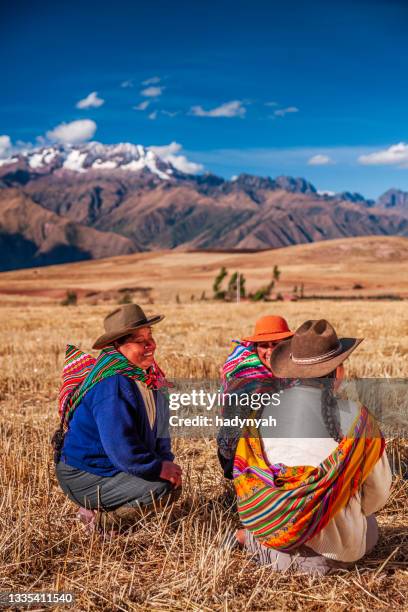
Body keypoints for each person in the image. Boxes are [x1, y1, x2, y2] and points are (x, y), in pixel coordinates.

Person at [233, 319, 392, 573]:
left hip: (277, 547)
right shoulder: (359, 422)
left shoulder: (261, 413)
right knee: (370, 525)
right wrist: (335, 501)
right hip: (338, 555)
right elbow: (377, 496)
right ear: (338, 370)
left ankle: (248, 538)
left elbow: (244, 476)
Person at [53, 304, 182, 532]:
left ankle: (109, 508)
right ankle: (98, 523)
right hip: (87, 472)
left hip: (112, 467)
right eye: (139, 340)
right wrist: (156, 469)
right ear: (118, 346)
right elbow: (121, 447)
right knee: (159, 487)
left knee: (170, 483)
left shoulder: (150, 379)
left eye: (150, 337)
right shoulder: (113, 383)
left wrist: (165, 461)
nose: (150, 345)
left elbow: (161, 430)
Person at [217, 315, 294, 479]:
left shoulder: (293, 366)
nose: (270, 351)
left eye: (276, 345)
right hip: (238, 450)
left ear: (287, 345)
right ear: (255, 347)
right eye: (264, 346)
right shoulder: (248, 375)